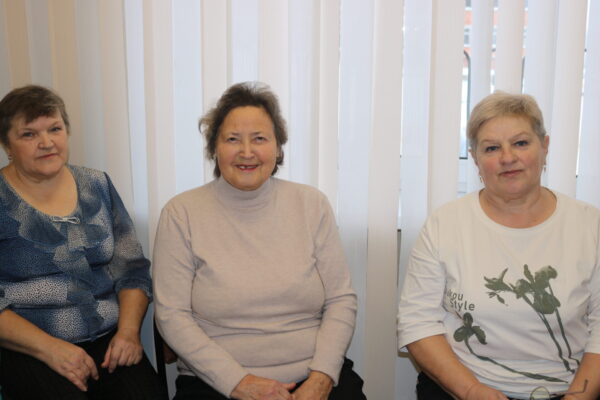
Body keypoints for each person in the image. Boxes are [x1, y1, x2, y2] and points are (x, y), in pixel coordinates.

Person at [153, 82, 365, 400]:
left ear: (278, 148)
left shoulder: (312, 205)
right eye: (232, 139)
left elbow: (340, 300)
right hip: (216, 384)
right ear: (213, 148)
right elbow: (172, 315)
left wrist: (321, 378)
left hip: (311, 377)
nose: (247, 152)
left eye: (259, 139)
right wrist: (239, 383)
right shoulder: (181, 213)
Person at [397, 92, 600, 400]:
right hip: (466, 388)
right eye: (492, 148)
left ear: (545, 146)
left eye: (520, 143)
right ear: (475, 158)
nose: (507, 157)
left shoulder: (589, 225)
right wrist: (471, 390)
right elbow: (417, 323)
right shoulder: (445, 224)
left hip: (570, 389)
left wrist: (577, 397)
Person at [0, 85, 162, 399]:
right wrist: (50, 349)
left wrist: (129, 334)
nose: (46, 143)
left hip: (110, 342)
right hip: (30, 348)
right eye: (29, 134)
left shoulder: (96, 183)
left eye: (55, 129)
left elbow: (132, 270)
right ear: (7, 144)